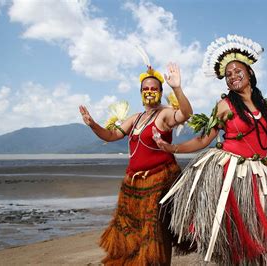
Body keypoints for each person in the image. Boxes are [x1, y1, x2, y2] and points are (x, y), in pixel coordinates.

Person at [155, 35, 267, 265]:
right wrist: (173, 147)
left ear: (250, 73)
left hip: (263, 177)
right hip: (233, 176)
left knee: (265, 232)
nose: (232, 76)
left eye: (237, 71)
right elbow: (204, 140)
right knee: (239, 236)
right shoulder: (224, 106)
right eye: (228, 75)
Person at [79, 62, 192, 265]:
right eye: (146, 89)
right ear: (141, 92)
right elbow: (112, 135)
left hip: (159, 181)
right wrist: (92, 124)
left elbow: (185, 114)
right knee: (132, 234)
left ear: (160, 91)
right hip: (133, 184)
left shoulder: (164, 114)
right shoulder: (136, 118)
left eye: (154, 89)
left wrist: (177, 87)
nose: (149, 92)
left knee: (156, 232)